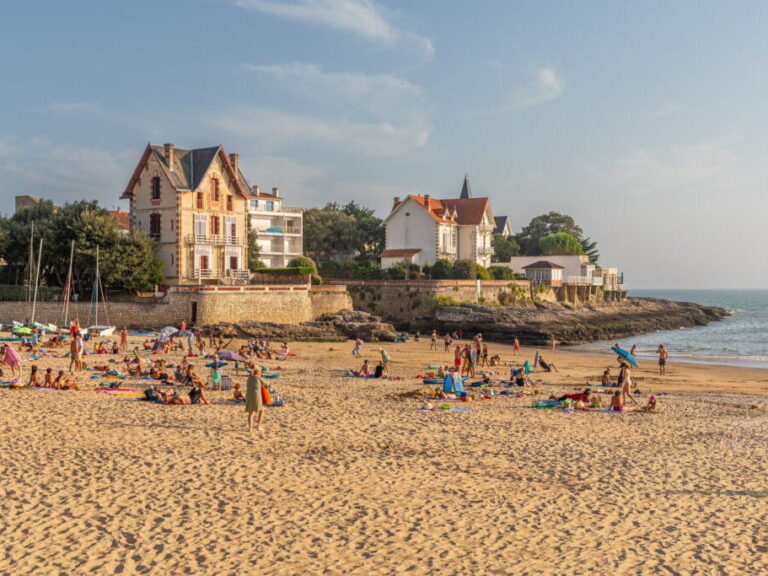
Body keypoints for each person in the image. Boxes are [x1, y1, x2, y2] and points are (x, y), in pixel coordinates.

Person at [245, 363, 265, 432]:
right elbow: (267, 383)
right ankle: (258, 426)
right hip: (256, 395)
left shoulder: (249, 378)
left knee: (251, 413)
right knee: (261, 410)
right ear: (258, 372)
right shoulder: (259, 378)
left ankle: (250, 429)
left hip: (248, 395)